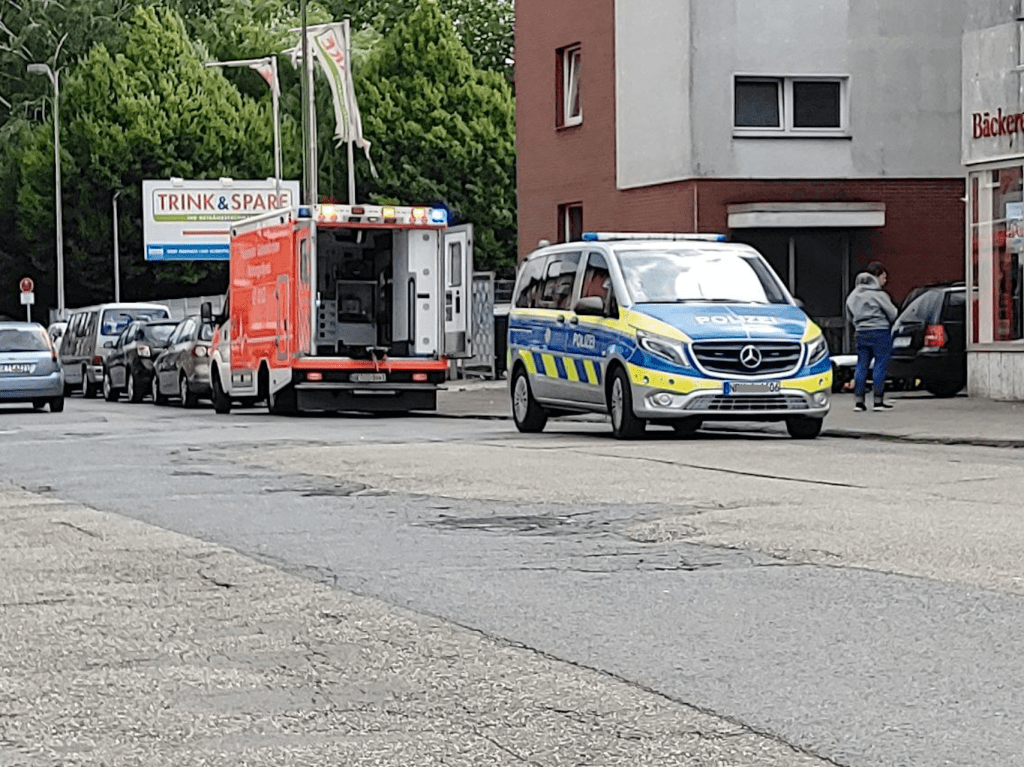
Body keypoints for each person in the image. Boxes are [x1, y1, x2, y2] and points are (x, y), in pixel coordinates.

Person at [845, 261, 898, 412]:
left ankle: (859, 402)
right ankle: (878, 401)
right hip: (880, 332)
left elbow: (849, 316)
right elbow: (893, 313)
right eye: (884, 277)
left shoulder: (853, 295)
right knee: (880, 364)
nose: (885, 281)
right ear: (877, 276)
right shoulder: (879, 295)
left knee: (862, 365)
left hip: (861, 333)